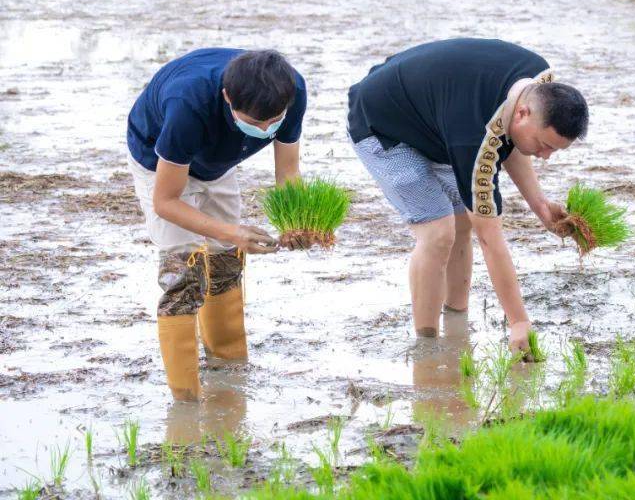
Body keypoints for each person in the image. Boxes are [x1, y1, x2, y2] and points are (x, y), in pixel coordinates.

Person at [347, 38, 588, 354]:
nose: (545, 157)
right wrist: (518, 322)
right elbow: (491, 239)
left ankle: (456, 326)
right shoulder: (474, 141)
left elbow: (511, 141)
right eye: (544, 145)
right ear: (524, 114)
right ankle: (427, 347)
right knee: (437, 232)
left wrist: (540, 205)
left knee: (463, 222)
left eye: (554, 150)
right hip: (382, 124)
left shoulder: (541, 81)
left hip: (435, 118)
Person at [127, 48, 310, 401]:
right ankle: (185, 400)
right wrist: (235, 231)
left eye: (273, 121)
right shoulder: (188, 105)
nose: (266, 130)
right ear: (227, 97)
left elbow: (287, 171)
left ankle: (230, 376)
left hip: (219, 160)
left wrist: (297, 221)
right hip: (159, 159)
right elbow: (166, 202)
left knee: (226, 259)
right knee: (183, 269)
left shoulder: (291, 90)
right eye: (255, 123)